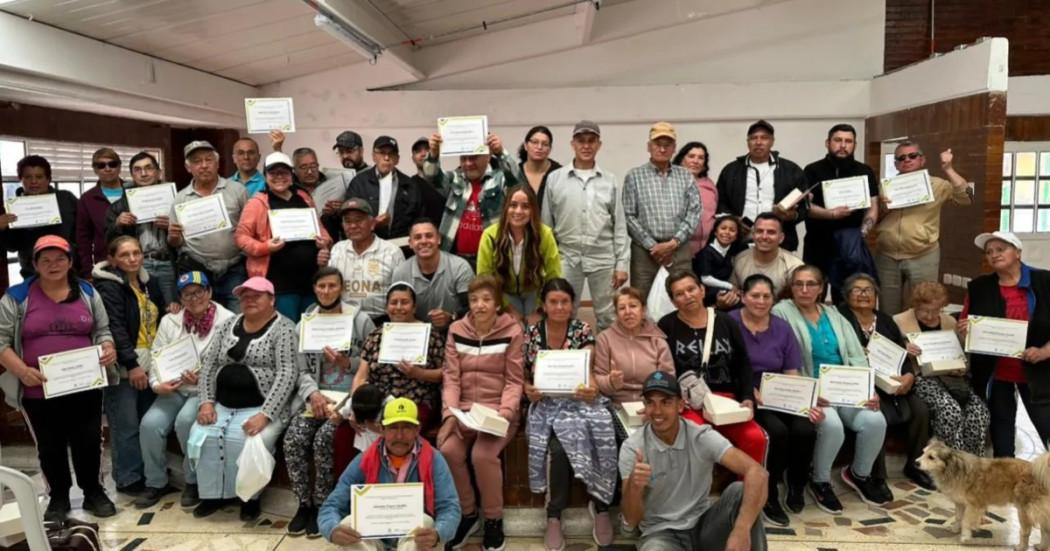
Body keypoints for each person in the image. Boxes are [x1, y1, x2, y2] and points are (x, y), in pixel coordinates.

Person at [0, 236, 118, 522]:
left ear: (70, 261)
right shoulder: (16, 297)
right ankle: (58, 496)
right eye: (46, 260)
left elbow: (103, 330)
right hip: (37, 388)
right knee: (49, 445)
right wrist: (22, 371)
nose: (53, 265)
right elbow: (1, 341)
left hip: (85, 385)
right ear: (35, 264)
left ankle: (93, 491)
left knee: (88, 440)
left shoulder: (87, 292)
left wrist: (108, 347)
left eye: (60, 259)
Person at [772, 265, 889, 512]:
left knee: (875, 420)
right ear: (791, 288)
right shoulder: (782, 312)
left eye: (811, 284)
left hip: (845, 388)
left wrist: (868, 389)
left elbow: (856, 355)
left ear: (821, 288)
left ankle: (859, 474)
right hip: (811, 390)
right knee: (831, 425)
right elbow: (782, 359)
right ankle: (820, 480)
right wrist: (808, 393)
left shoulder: (834, 314)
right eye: (798, 284)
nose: (805, 289)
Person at [619, 371, 768, 551]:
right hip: (661, 533)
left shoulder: (701, 436)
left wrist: (741, 530)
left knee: (740, 491)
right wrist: (634, 487)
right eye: (650, 403)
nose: (657, 411)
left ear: (680, 405)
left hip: (703, 524)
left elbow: (758, 472)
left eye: (666, 402)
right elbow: (631, 520)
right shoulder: (633, 447)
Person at [191, 276, 300, 520]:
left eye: (256, 296)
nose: (249, 300)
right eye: (245, 296)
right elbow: (208, 365)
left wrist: (265, 415)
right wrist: (206, 402)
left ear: (272, 299)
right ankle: (212, 496)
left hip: (263, 406)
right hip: (222, 403)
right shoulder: (227, 324)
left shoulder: (284, 328)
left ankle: (249, 498)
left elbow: (287, 374)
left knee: (249, 440)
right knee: (203, 435)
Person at [522, 278, 617, 549]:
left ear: (572, 304)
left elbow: (589, 371)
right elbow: (524, 376)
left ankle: (601, 504)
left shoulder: (582, 329)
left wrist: (592, 388)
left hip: (580, 402)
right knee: (559, 448)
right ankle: (554, 515)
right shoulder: (532, 333)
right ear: (544, 305)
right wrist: (528, 390)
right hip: (547, 404)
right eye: (553, 302)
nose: (560, 307)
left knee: (603, 433)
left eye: (565, 301)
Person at [283, 266, 375, 537]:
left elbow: (372, 364)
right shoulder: (304, 325)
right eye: (321, 286)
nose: (326, 291)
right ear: (314, 289)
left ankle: (323, 503)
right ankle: (304, 504)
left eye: (332, 286)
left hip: (348, 397)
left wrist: (347, 363)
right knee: (294, 438)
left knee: (324, 440)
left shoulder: (361, 321)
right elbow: (300, 370)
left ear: (341, 288)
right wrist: (313, 394)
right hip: (317, 397)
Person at [137, 271, 235, 509]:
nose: (194, 299)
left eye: (199, 292)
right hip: (172, 389)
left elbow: (230, 364)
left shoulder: (228, 320)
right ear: (180, 298)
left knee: (185, 422)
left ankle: (192, 481)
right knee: (149, 425)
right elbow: (156, 357)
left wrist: (203, 379)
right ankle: (156, 482)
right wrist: (156, 385)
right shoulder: (169, 321)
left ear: (209, 292)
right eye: (187, 295)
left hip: (204, 391)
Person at [439, 275, 524, 551]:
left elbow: (514, 380)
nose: (480, 305)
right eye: (474, 300)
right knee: (448, 450)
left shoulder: (512, 330)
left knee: (482, 455)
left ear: (498, 303)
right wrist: (450, 415)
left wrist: (505, 413)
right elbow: (451, 378)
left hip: (498, 412)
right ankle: (468, 514)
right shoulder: (456, 329)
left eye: (487, 299)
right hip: (464, 411)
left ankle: (493, 519)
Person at [729, 274, 818, 526]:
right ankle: (769, 494)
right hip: (744, 393)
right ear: (743, 297)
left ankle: (797, 485)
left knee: (805, 428)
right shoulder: (729, 322)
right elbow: (725, 366)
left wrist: (803, 402)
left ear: (774, 299)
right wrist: (749, 391)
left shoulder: (782, 328)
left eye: (766, 296)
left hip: (778, 393)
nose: (761, 301)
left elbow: (791, 370)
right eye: (755, 295)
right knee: (777, 432)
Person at [319, 397, 461, 550]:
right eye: (393, 427)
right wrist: (332, 530)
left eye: (407, 427)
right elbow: (332, 505)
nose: (399, 436)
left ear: (417, 429)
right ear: (382, 429)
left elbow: (450, 507)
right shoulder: (364, 460)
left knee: (425, 523)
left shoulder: (434, 459)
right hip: (374, 539)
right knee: (349, 524)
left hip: (413, 541)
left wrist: (438, 534)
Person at [657, 271, 767, 466]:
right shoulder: (667, 325)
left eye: (691, 289)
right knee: (699, 439)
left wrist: (747, 397)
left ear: (702, 290)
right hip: (689, 403)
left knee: (755, 438)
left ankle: (745, 484)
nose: (687, 296)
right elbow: (664, 369)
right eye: (679, 294)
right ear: (673, 301)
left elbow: (742, 362)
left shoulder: (726, 321)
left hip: (727, 400)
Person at [836, 273, 933, 490]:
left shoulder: (885, 320)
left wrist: (909, 376)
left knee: (921, 410)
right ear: (847, 295)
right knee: (876, 414)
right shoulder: (840, 318)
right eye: (857, 290)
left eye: (869, 290)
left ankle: (915, 466)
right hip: (860, 383)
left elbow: (901, 353)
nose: (864, 294)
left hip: (892, 382)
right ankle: (875, 474)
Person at [959, 231, 1050, 457]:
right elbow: (965, 323)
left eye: (1001, 249)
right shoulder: (979, 287)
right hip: (995, 374)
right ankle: (1005, 475)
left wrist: (1044, 351)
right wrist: (966, 331)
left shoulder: (1045, 281)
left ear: (1017, 252)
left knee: (1046, 426)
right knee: (1001, 435)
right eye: (989, 252)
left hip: (1039, 371)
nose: (994, 254)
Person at [93, 235, 166, 497]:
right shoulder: (108, 287)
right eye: (125, 254)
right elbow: (115, 327)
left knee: (146, 422)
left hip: (151, 363)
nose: (133, 259)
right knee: (126, 425)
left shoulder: (149, 283)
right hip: (125, 367)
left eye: (136, 253)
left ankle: (150, 475)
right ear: (112, 259)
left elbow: (160, 317)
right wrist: (132, 365)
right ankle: (128, 478)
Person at [542, 120, 629, 331]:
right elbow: (546, 225)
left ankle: (606, 353)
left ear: (599, 145)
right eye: (581, 141)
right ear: (573, 144)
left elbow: (619, 225)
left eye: (591, 141)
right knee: (563, 311)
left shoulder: (610, 180)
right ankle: (566, 352)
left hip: (603, 257)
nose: (586, 146)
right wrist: (545, 262)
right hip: (567, 256)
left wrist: (621, 264)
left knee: (608, 315)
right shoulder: (555, 179)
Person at [875, 141, 972, 314]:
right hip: (887, 255)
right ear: (896, 164)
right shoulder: (885, 187)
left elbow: (966, 198)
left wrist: (949, 169)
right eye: (901, 158)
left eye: (912, 156)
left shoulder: (938, 185)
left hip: (923, 254)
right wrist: (884, 208)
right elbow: (873, 218)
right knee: (887, 309)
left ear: (922, 160)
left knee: (924, 306)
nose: (907, 160)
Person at [894, 281, 989, 457]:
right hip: (921, 378)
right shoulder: (899, 321)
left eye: (936, 310)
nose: (930, 316)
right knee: (950, 411)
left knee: (979, 412)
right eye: (924, 311)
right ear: (915, 305)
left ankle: (973, 463)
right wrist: (903, 349)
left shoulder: (949, 321)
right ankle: (951, 462)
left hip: (952, 378)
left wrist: (961, 362)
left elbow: (962, 356)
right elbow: (890, 354)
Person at [235, 152, 332, 322]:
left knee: (309, 329)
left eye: (284, 172)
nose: (279, 177)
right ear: (265, 176)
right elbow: (241, 237)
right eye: (273, 173)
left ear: (292, 175)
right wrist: (265, 247)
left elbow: (320, 229)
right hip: (279, 284)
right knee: (287, 328)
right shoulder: (257, 202)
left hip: (311, 280)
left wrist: (325, 242)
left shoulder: (303, 197)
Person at [623, 121, 701, 299]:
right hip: (644, 252)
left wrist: (673, 243)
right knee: (640, 299)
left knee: (684, 297)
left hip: (679, 248)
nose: (663, 149)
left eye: (667, 145)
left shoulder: (686, 176)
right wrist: (653, 246)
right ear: (649, 147)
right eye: (658, 144)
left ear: (674, 148)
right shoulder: (634, 176)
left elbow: (694, 211)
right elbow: (629, 216)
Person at [168, 141, 249, 312]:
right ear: (188, 167)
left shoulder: (237, 190)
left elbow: (249, 228)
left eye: (209, 160)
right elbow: (176, 243)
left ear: (217, 164)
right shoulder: (181, 198)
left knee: (237, 317)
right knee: (201, 318)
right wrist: (174, 237)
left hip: (234, 267)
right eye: (197, 161)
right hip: (196, 268)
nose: (204, 165)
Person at [803, 124, 879, 302]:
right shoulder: (812, 170)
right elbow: (805, 206)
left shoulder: (864, 171)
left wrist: (863, 231)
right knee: (813, 296)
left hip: (850, 245)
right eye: (838, 140)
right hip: (818, 243)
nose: (843, 145)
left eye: (848, 141)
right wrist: (830, 214)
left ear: (855, 145)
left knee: (847, 298)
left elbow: (873, 205)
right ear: (827, 143)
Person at [352, 282, 444, 429]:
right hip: (376, 402)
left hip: (416, 401)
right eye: (394, 303)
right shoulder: (375, 335)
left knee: (392, 429)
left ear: (414, 307)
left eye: (405, 302)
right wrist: (355, 406)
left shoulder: (430, 335)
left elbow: (445, 373)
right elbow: (361, 376)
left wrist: (419, 373)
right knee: (343, 431)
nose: (399, 307)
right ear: (386, 307)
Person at [422, 131, 521, 268]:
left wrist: (500, 153)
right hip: (455, 259)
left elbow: (517, 182)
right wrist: (433, 154)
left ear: (488, 156)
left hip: (491, 258)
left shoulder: (499, 180)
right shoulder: (455, 179)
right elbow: (431, 176)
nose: (468, 163)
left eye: (473, 158)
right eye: (464, 158)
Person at [715, 120, 808, 252]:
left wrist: (792, 215)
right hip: (739, 242)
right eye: (754, 138)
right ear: (747, 142)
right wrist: (733, 221)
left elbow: (805, 207)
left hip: (781, 244)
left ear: (772, 141)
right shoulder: (731, 170)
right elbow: (720, 203)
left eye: (764, 138)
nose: (758, 142)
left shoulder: (791, 170)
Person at [476, 185, 562, 322]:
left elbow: (554, 275)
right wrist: (506, 307)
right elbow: (484, 278)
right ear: (506, 208)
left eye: (525, 206)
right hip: (503, 293)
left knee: (534, 329)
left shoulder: (545, 234)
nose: (518, 211)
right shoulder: (489, 236)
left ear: (533, 210)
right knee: (514, 328)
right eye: (513, 205)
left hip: (534, 293)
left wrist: (541, 309)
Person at [593, 287, 675, 429]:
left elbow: (668, 379)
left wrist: (653, 405)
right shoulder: (604, 339)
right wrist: (611, 382)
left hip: (652, 405)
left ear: (643, 310)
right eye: (622, 308)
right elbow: (598, 377)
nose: (628, 312)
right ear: (616, 314)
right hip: (614, 406)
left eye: (633, 306)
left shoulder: (657, 340)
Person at [105, 151, 178, 305]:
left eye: (148, 168)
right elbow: (108, 241)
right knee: (142, 311)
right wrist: (117, 224)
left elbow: (190, 234)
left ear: (158, 172)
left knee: (171, 310)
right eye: (137, 170)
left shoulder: (176, 199)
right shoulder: (118, 207)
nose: (143, 174)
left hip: (167, 264)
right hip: (137, 265)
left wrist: (171, 227)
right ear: (132, 175)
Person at [0, 155, 79, 278]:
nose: (34, 182)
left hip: (70, 269)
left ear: (48, 179)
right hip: (32, 273)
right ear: (21, 179)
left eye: (39, 177)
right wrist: (2, 229)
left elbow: (82, 230)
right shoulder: (14, 207)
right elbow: (12, 247)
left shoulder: (66, 198)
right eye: (28, 177)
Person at [326, 198, 405, 319]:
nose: (353, 226)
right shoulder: (337, 249)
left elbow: (403, 292)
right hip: (344, 320)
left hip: (380, 320)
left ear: (372, 224)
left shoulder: (392, 252)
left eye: (358, 220)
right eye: (347, 221)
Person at [390, 219, 473, 332]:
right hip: (414, 332)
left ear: (439, 239)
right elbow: (397, 311)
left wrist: (452, 317)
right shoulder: (401, 272)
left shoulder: (460, 267)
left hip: (455, 330)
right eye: (418, 237)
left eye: (429, 236)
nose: (424, 241)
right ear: (410, 243)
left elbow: (472, 307)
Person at [345, 136, 425, 243]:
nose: (386, 158)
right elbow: (349, 219)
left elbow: (419, 220)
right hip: (368, 244)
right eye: (382, 153)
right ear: (373, 156)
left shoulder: (410, 185)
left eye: (391, 154)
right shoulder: (359, 183)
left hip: (402, 245)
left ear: (397, 159)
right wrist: (373, 224)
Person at [76, 147, 126, 278]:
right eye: (101, 165)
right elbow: (83, 238)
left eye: (112, 164)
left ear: (119, 167)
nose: (107, 169)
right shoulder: (87, 199)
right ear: (95, 169)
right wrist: (87, 270)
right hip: (104, 263)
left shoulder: (133, 191)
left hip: (137, 259)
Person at [731, 213, 803, 297]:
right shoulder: (740, 259)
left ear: (781, 238)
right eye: (759, 231)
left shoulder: (794, 266)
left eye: (771, 232)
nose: (764, 237)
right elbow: (733, 291)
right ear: (753, 235)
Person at [693, 215, 748, 308]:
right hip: (707, 291)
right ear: (715, 232)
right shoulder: (706, 253)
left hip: (724, 289)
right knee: (738, 302)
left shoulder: (732, 250)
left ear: (736, 236)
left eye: (732, 230)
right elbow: (705, 279)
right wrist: (730, 286)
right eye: (723, 228)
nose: (727, 232)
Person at [673, 141, 718, 255]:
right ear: (681, 159)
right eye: (691, 156)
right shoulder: (671, 183)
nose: (696, 161)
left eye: (701, 158)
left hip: (707, 248)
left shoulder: (709, 184)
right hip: (680, 248)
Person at [518, 125, 561, 211]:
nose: (539, 147)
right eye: (535, 142)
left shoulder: (559, 173)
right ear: (526, 145)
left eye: (545, 144)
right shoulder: (516, 172)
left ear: (550, 149)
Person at [410, 137, 446, 225]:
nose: (423, 154)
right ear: (413, 158)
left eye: (427, 149)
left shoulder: (447, 181)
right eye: (418, 151)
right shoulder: (409, 185)